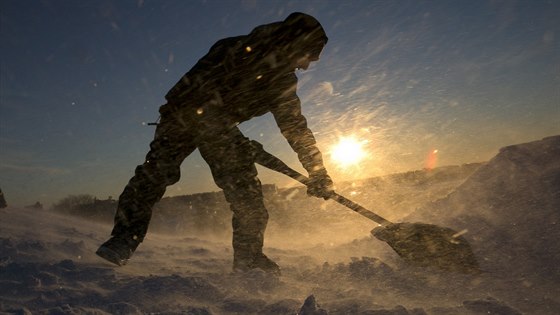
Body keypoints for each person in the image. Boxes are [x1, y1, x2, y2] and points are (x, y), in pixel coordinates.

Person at [96, 12, 334, 274]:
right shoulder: (234, 49)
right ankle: (122, 240)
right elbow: (199, 93)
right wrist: (227, 134)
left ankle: (249, 259)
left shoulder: (283, 80)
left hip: (223, 131)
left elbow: (295, 127)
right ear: (292, 43)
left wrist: (318, 171)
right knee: (155, 175)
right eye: (307, 56)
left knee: (247, 195)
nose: (306, 66)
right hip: (180, 117)